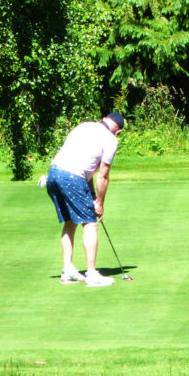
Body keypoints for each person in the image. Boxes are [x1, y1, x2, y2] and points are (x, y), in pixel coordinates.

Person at [45, 112, 124, 287]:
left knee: (69, 222)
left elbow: (85, 168)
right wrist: (100, 203)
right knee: (90, 223)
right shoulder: (111, 140)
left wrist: (93, 196)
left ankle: (68, 270)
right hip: (72, 178)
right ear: (118, 131)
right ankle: (91, 273)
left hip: (53, 174)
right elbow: (102, 176)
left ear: (104, 119)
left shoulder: (83, 126)